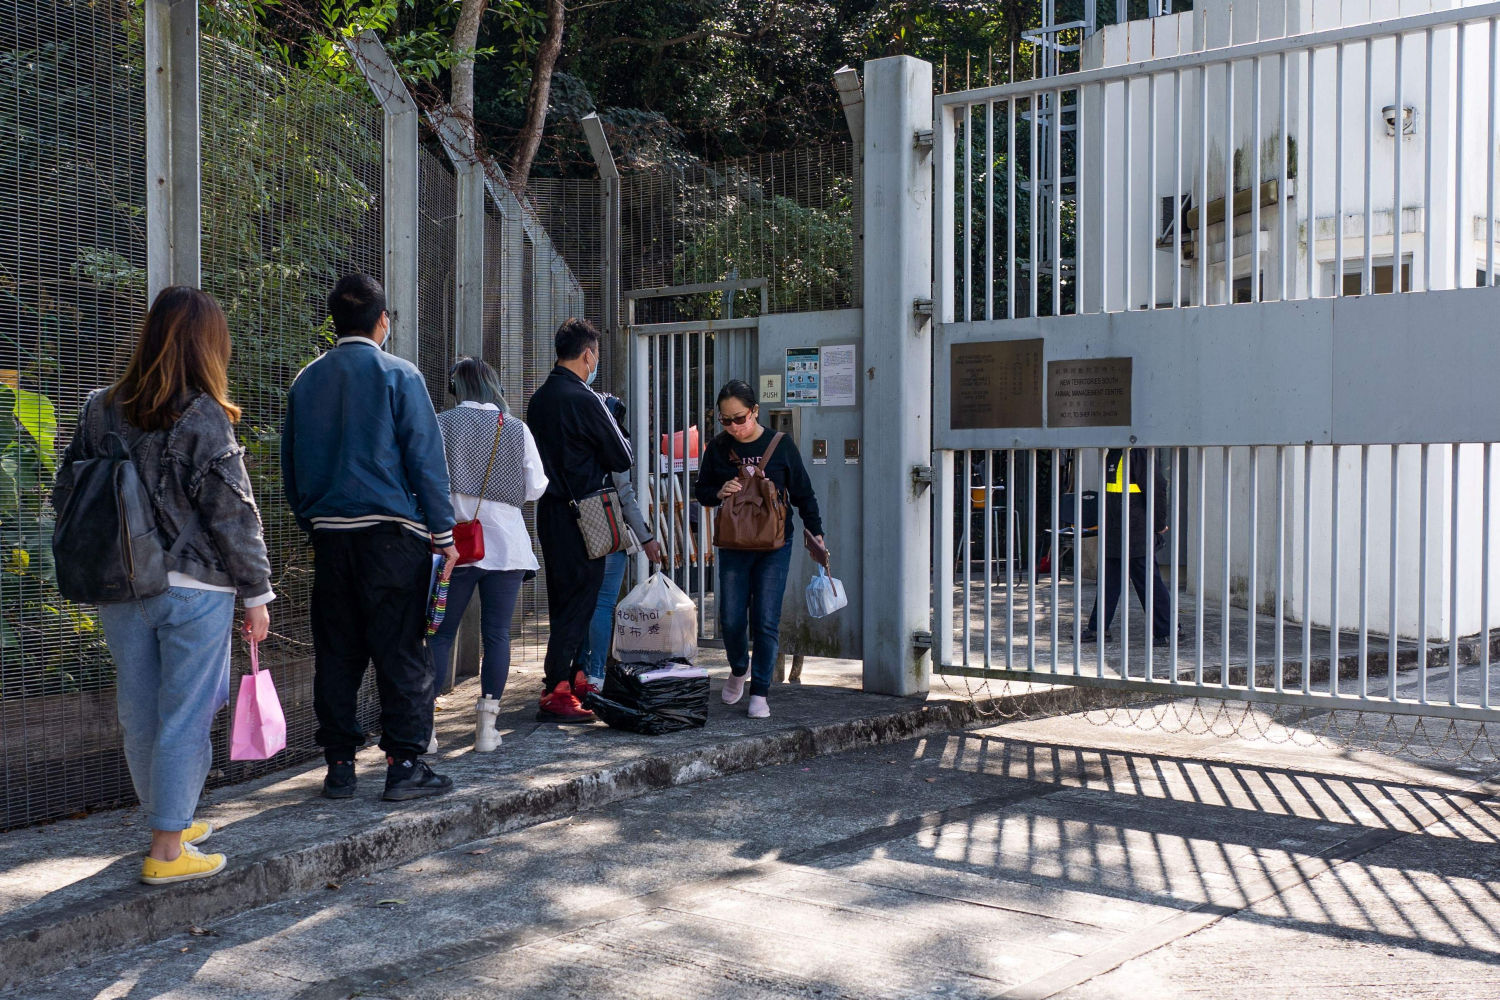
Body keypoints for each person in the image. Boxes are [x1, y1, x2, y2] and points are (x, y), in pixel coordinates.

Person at [53, 286, 274, 884]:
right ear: (208, 346)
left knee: (141, 712)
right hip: (195, 589)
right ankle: (168, 851)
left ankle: (167, 820)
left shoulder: (99, 407)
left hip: (121, 584)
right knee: (186, 715)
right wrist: (257, 595)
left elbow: (65, 493)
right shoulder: (203, 414)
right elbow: (233, 514)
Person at [282, 274, 459, 801]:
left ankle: (339, 767)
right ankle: (404, 765)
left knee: (336, 653)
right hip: (392, 537)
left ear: (334, 321)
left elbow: (291, 465)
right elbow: (425, 459)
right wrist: (443, 533)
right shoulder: (399, 376)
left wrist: (311, 521)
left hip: (330, 538)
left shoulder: (305, 381)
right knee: (402, 650)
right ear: (384, 321)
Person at [428, 357, 548, 752]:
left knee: (441, 633)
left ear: (456, 389)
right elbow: (536, 487)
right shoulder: (516, 429)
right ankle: (486, 729)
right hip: (507, 548)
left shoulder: (441, 425)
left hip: (454, 547)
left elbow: (427, 480)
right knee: (496, 635)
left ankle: (424, 728)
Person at [695, 379, 824, 719]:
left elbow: (803, 493)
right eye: (725, 420)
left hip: (775, 544)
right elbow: (702, 491)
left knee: (765, 618)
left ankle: (760, 691)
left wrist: (817, 532)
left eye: (740, 418)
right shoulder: (718, 448)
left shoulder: (781, 445)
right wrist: (719, 491)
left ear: (755, 411)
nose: (734, 426)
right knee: (733, 618)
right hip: (734, 542)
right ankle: (739, 668)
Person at [525, 318, 633, 723]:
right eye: (596, 355)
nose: (596, 361)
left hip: (551, 512)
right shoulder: (585, 398)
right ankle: (557, 688)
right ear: (588, 354)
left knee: (561, 597)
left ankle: (571, 678)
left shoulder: (540, 399)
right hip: (585, 512)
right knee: (584, 596)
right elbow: (622, 456)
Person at [573, 393, 662, 691]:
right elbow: (626, 498)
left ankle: (578, 670)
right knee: (602, 605)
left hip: (575, 533)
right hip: (607, 535)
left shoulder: (574, 445)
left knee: (579, 605)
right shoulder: (614, 446)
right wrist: (647, 537)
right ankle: (596, 673)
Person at [1082, 447, 1173, 644]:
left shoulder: (1138, 452)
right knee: (1110, 581)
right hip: (1115, 528)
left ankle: (1168, 630)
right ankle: (1098, 628)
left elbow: (1157, 487)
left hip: (1135, 529)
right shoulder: (1114, 453)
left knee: (1147, 581)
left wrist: (1158, 524)